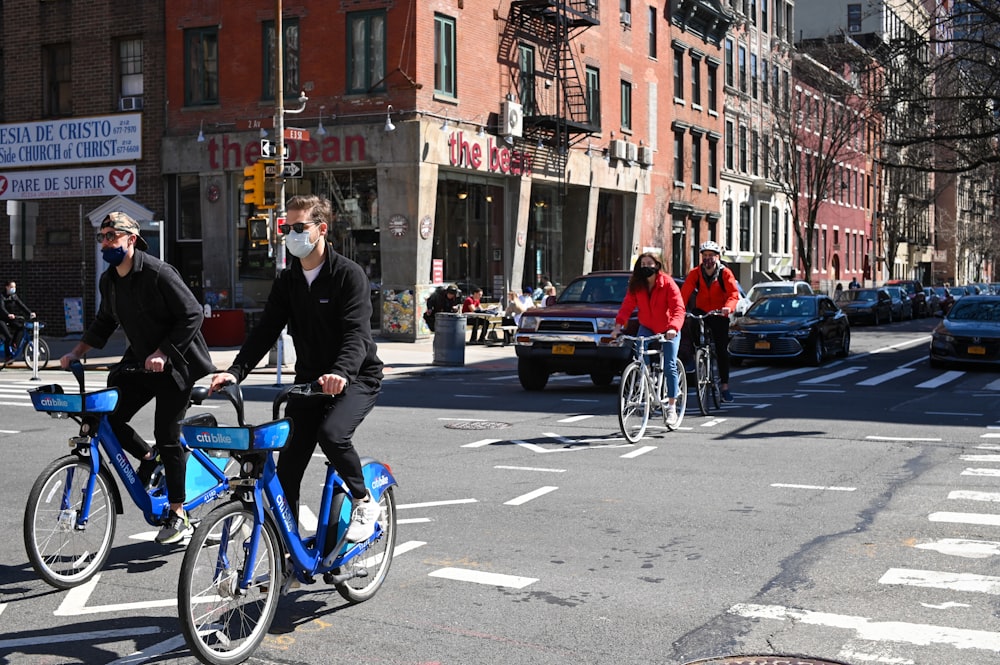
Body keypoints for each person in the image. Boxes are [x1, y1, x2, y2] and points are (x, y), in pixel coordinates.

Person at [208, 195, 383, 544]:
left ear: (321, 229)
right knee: (287, 466)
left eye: (299, 228)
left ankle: (364, 502)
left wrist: (341, 374)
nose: (291, 234)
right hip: (309, 382)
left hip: (356, 377)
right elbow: (266, 330)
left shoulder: (348, 275)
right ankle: (286, 555)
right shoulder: (288, 281)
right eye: (287, 228)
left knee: (332, 434)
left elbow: (357, 335)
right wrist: (236, 371)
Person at [59, 212, 214, 544]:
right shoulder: (110, 281)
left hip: (176, 364)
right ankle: (148, 456)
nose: (105, 242)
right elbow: (104, 322)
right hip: (140, 362)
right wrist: (77, 352)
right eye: (102, 237)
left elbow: (193, 314)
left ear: (131, 239)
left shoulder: (158, 273)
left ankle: (178, 514)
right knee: (107, 418)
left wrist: (164, 352)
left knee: (167, 434)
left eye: (112, 236)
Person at [610, 253, 686, 426]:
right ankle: (646, 377)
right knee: (640, 349)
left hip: (669, 328)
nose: (646, 267)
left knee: (669, 365)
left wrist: (674, 327)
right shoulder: (637, 284)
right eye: (642, 263)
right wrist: (617, 326)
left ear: (657, 265)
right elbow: (627, 306)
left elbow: (678, 308)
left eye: (649, 263)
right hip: (647, 326)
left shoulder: (667, 283)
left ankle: (672, 408)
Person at [680, 240, 741, 403]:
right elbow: (684, 293)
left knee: (721, 350)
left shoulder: (725, 273)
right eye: (704, 256)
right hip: (702, 310)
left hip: (719, 312)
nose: (707, 259)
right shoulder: (696, 273)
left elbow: (733, 294)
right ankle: (696, 354)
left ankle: (725, 387)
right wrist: (680, 310)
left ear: (717, 257)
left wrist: (728, 307)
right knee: (692, 320)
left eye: (711, 256)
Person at [1, 280, 35, 361]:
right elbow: (1, 308)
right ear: (7, 287)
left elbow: (21, 305)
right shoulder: (2, 296)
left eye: (15, 287)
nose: (14, 289)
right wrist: (7, 314)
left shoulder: (14, 296)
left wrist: (30, 313)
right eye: (12, 287)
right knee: (8, 336)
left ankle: (14, 344)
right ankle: (7, 356)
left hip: (10, 319)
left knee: (21, 328)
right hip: (1, 319)